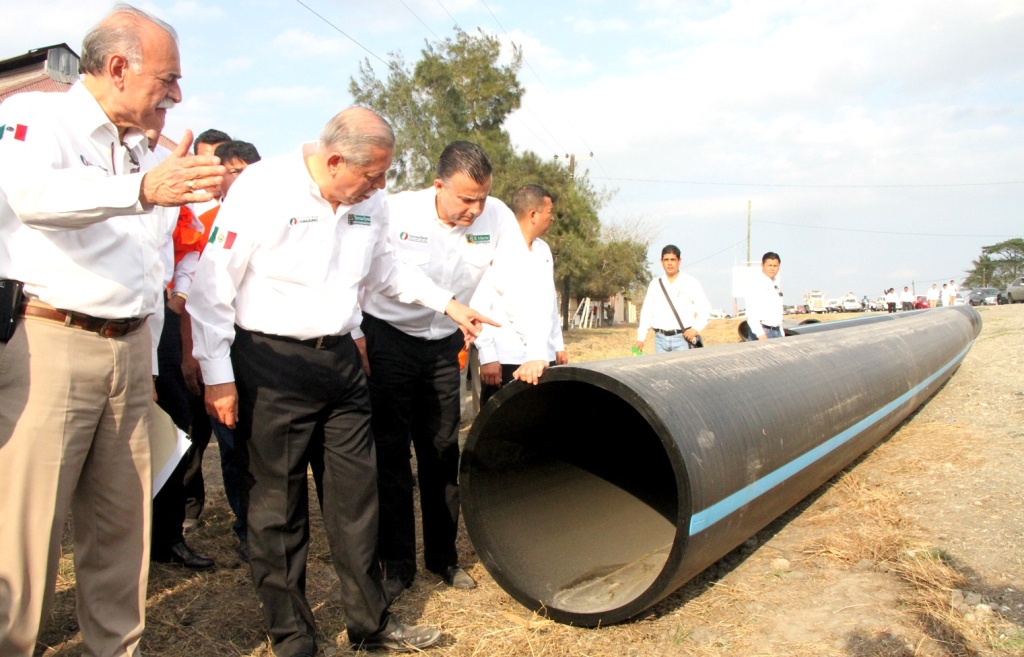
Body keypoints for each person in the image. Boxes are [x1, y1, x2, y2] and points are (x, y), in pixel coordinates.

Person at [187, 107, 491, 654]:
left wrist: (447, 303)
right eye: (372, 175)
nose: (380, 187)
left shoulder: (368, 202)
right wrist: (217, 374)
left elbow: (387, 271)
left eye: (383, 176)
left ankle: (370, 625)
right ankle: (294, 637)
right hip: (271, 364)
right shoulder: (263, 187)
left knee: (357, 501)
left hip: (342, 368)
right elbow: (214, 283)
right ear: (333, 160)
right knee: (278, 511)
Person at [0, 5, 225, 655]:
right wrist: (143, 190)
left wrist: (148, 369)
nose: (177, 96)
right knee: (27, 530)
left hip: (129, 353)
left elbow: (148, 265)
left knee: (122, 529)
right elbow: (32, 197)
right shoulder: (37, 118)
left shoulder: (146, 154)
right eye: (169, 80)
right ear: (120, 68)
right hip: (50, 345)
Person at [357, 141, 517, 597]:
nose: (475, 208)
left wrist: (474, 321)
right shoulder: (395, 212)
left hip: (446, 343)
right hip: (389, 338)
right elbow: (372, 275)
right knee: (389, 453)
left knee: (443, 449)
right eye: (466, 198)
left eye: (482, 197)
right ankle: (397, 563)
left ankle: (443, 557)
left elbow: (497, 278)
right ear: (438, 184)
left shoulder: (498, 217)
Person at [180, 139, 262, 559]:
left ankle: (262, 525)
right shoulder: (203, 221)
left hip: (252, 348)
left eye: (236, 171)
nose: (227, 180)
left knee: (252, 446)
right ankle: (246, 526)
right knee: (226, 445)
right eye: (228, 172)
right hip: (216, 349)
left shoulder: (267, 214)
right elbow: (195, 292)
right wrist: (194, 352)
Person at [474, 184, 568, 407]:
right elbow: (480, 303)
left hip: (542, 358)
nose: (552, 218)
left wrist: (557, 344)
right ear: (533, 215)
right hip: (506, 359)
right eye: (549, 211)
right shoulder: (499, 247)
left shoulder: (543, 250)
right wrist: (488, 355)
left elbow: (549, 303)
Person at [635, 245, 711, 352]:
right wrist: (641, 338)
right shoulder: (655, 284)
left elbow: (705, 309)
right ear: (661, 262)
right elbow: (647, 312)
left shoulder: (690, 282)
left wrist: (695, 329)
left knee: (683, 369)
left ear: (679, 261)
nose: (669, 263)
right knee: (662, 369)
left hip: (682, 339)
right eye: (666, 260)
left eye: (673, 259)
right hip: (660, 340)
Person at [744, 251, 785, 341]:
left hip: (777, 331)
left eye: (775, 266)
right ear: (762, 266)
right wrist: (760, 334)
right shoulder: (756, 284)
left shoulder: (775, 286)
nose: (772, 269)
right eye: (769, 265)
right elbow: (751, 314)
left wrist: (781, 333)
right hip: (763, 332)